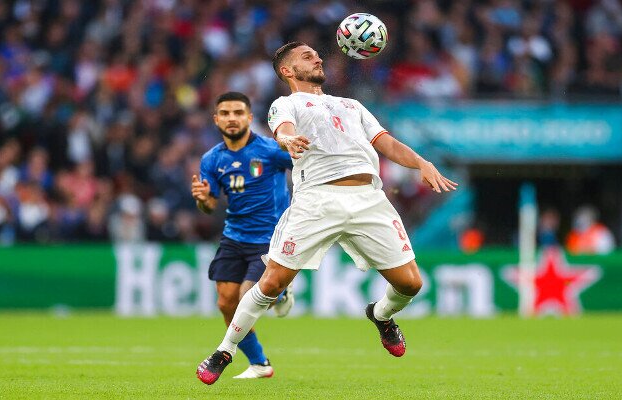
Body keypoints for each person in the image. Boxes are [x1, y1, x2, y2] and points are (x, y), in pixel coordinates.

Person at [196, 43, 458, 385]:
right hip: (317, 200)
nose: (318, 58)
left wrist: (421, 162)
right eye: (307, 56)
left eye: (317, 55)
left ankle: (381, 316)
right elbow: (284, 129)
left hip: (369, 199)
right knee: (272, 281)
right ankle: (225, 350)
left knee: (410, 283)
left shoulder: (352, 105)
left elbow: (386, 142)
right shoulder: (286, 103)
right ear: (288, 71)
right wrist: (287, 141)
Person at [191, 91, 295, 380]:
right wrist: (202, 198)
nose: (232, 118)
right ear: (216, 119)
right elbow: (209, 206)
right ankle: (260, 364)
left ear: (249, 117)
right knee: (226, 303)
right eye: (225, 113)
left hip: (269, 237)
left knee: (246, 297)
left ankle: (280, 289)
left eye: (238, 113)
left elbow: (304, 167)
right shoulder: (211, 159)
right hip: (234, 236)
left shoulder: (270, 151)